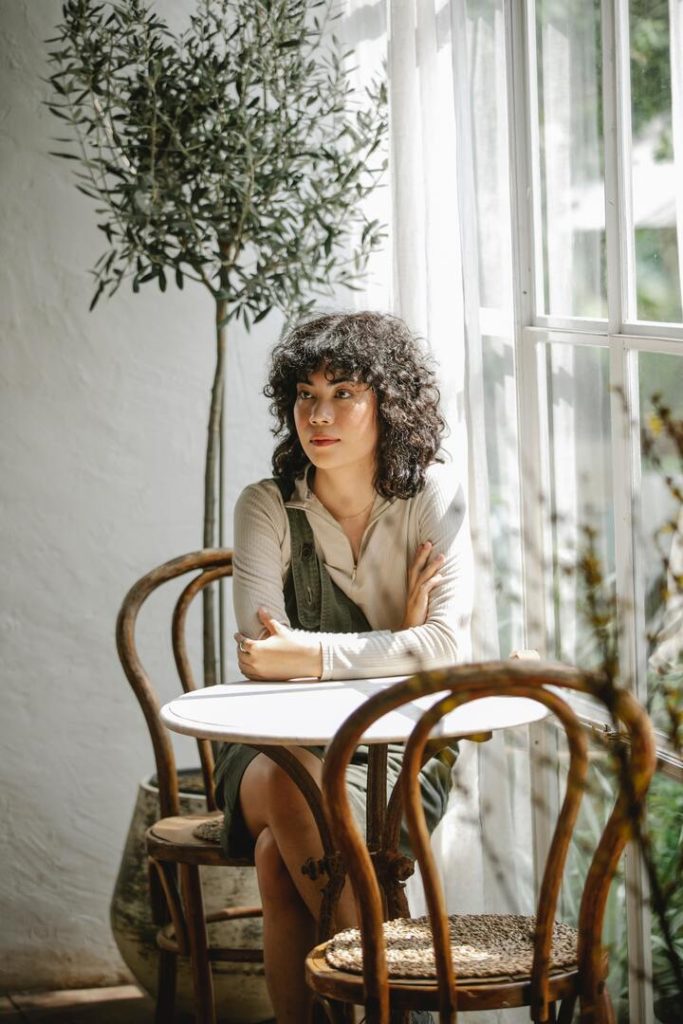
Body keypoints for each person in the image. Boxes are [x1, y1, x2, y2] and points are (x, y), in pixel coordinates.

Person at [214, 311, 474, 1023]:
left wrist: (316, 652)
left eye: (343, 393)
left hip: (397, 752)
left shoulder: (432, 497)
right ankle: (399, 1012)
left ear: (389, 403)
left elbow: (449, 649)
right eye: (304, 394)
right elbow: (264, 661)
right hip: (272, 750)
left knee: (277, 858)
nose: (317, 415)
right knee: (290, 779)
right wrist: (401, 638)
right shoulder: (267, 505)